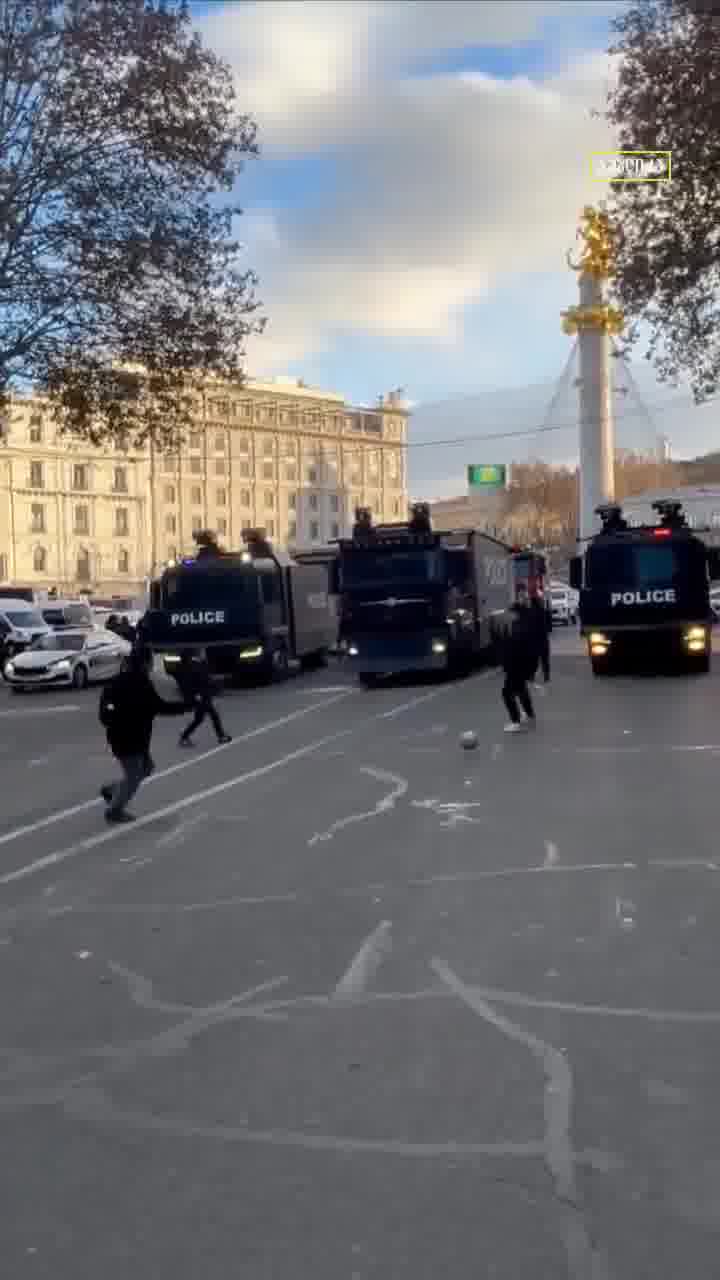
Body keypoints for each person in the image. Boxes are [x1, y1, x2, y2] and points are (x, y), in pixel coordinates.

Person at [98, 645, 188, 823]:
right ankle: (114, 810)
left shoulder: (116, 681)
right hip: (130, 739)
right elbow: (158, 706)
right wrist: (185, 706)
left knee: (145, 768)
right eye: (151, 662)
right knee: (134, 774)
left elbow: (104, 712)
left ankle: (114, 791)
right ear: (145, 663)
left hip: (125, 736)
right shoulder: (141, 683)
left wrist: (112, 720)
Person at [499, 584, 537, 733]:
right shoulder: (524, 621)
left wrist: (507, 663)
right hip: (522, 664)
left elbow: (514, 648)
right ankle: (529, 714)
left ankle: (515, 721)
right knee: (521, 689)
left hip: (517, 665)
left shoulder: (518, 627)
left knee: (507, 692)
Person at [177, 648, 232, 748]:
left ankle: (184, 736)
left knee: (199, 719)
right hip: (201, 696)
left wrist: (218, 682)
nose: (204, 654)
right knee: (213, 716)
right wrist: (196, 694)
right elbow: (195, 682)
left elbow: (207, 679)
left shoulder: (200, 664)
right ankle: (221, 736)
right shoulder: (195, 666)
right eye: (202, 653)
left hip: (204, 695)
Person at [529, 591, 552, 685]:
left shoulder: (528, 613)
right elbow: (549, 627)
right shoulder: (544, 612)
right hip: (543, 639)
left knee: (533, 659)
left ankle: (531, 676)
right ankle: (546, 676)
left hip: (532, 640)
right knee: (545, 659)